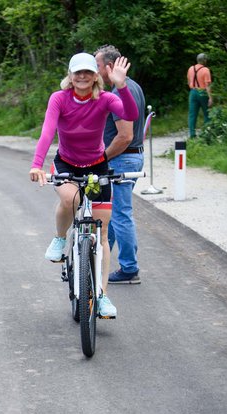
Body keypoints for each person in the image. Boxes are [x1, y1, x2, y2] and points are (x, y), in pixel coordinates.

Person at [29, 52, 139, 318]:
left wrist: (122, 86)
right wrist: (37, 163)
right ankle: (59, 238)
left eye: (88, 72)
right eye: (77, 72)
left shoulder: (105, 99)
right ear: (70, 75)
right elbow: (48, 131)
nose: (82, 76)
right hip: (67, 162)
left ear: (95, 76)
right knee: (70, 199)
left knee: (101, 236)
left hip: (97, 164)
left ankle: (101, 297)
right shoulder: (59, 98)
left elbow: (131, 114)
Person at [94, 45, 146, 285]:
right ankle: (100, 259)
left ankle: (129, 268)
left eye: (97, 66)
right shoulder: (131, 86)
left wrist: (100, 158)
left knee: (120, 213)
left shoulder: (118, 92)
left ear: (110, 66)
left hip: (122, 158)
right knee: (112, 214)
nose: (95, 71)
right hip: (131, 155)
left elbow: (124, 136)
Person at [187, 53, 213, 138]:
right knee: (207, 113)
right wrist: (210, 98)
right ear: (204, 60)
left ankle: (192, 135)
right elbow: (207, 85)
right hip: (202, 92)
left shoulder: (191, 68)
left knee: (192, 114)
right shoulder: (206, 70)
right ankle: (207, 133)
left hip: (193, 92)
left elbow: (188, 81)